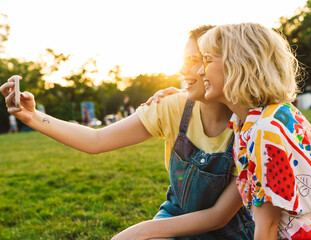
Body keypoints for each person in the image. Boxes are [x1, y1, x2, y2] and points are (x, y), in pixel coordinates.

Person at [0, 25, 254, 240]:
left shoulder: (250, 127)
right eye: (184, 60)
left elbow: (218, 217)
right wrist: (32, 117)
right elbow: (96, 140)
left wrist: (140, 231)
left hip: (229, 229)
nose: (183, 70)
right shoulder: (173, 107)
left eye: (196, 60)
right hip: (176, 216)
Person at [196, 22, 311, 240]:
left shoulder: (265, 131)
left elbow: (269, 225)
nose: (200, 71)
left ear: (239, 65)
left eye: (207, 60)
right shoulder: (262, 117)